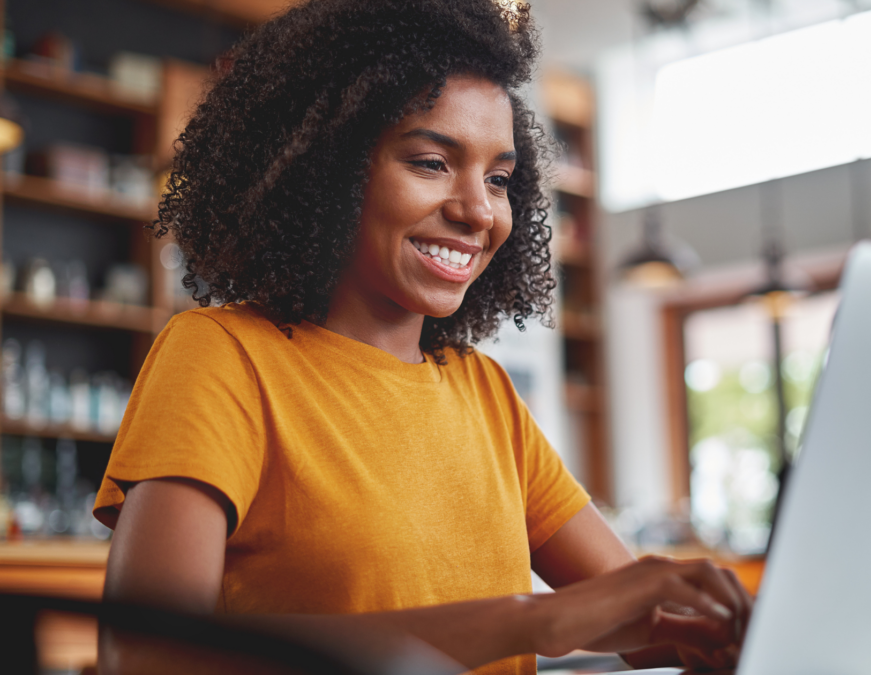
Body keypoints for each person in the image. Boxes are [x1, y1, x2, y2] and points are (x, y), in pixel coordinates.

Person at [92, 1, 752, 673]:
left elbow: (648, 627)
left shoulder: (483, 391)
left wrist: (748, 633)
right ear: (327, 170)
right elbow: (148, 655)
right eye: (433, 162)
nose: (478, 211)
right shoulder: (222, 357)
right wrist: (532, 618)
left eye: (498, 179)